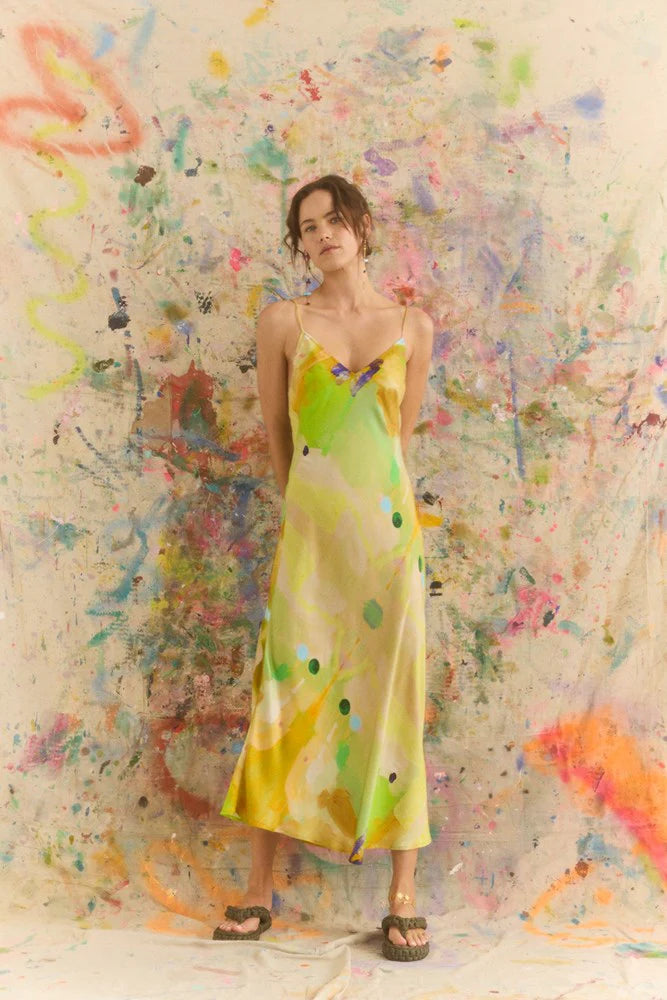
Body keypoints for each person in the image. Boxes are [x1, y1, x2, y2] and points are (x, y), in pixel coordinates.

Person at [214, 174, 434, 960]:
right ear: (298, 243)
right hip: (311, 543)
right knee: (284, 699)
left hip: (387, 545)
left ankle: (402, 896)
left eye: (334, 220)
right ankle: (257, 888)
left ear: (362, 226)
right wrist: (300, 513)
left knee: (394, 701)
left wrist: (384, 527)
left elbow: (397, 442)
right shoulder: (282, 321)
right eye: (307, 227)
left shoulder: (411, 325)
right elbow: (277, 430)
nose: (322, 235)